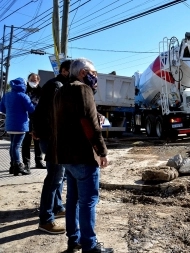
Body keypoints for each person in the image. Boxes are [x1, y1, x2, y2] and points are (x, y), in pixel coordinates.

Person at [52, 58, 113, 253]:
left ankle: (74, 240)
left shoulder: (60, 91)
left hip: (66, 156)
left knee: (73, 200)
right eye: (93, 73)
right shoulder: (82, 89)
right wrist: (101, 151)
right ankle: (90, 245)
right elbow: (89, 124)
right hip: (83, 155)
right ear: (83, 73)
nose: (95, 77)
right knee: (88, 201)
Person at [33, 60, 73, 236]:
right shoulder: (57, 86)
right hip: (53, 138)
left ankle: (57, 207)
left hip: (49, 136)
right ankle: (46, 220)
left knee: (59, 175)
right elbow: (54, 114)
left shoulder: (54, 84)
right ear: (65, 71)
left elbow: (40, 111)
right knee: (55, 177)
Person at [0, 78, 35, 175]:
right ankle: (18, 166)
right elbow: (31, 109)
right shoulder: (23, 96)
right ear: (23, 85)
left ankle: (12, 166)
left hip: (9, 124)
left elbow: (2, 109)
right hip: (20, 125)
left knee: (13, 146)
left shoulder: (6, 95)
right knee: (16, 146)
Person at [22, 73, 45, 171]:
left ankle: (39, 161)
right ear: (28, 80)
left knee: (38, 141)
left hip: (38, 119)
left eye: (35, 80)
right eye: (31, 80)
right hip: (26, 119)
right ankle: (26, 163)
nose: (33, 82)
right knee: (26, 141)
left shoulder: (42, 91)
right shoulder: (24, 91)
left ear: (38, 81)